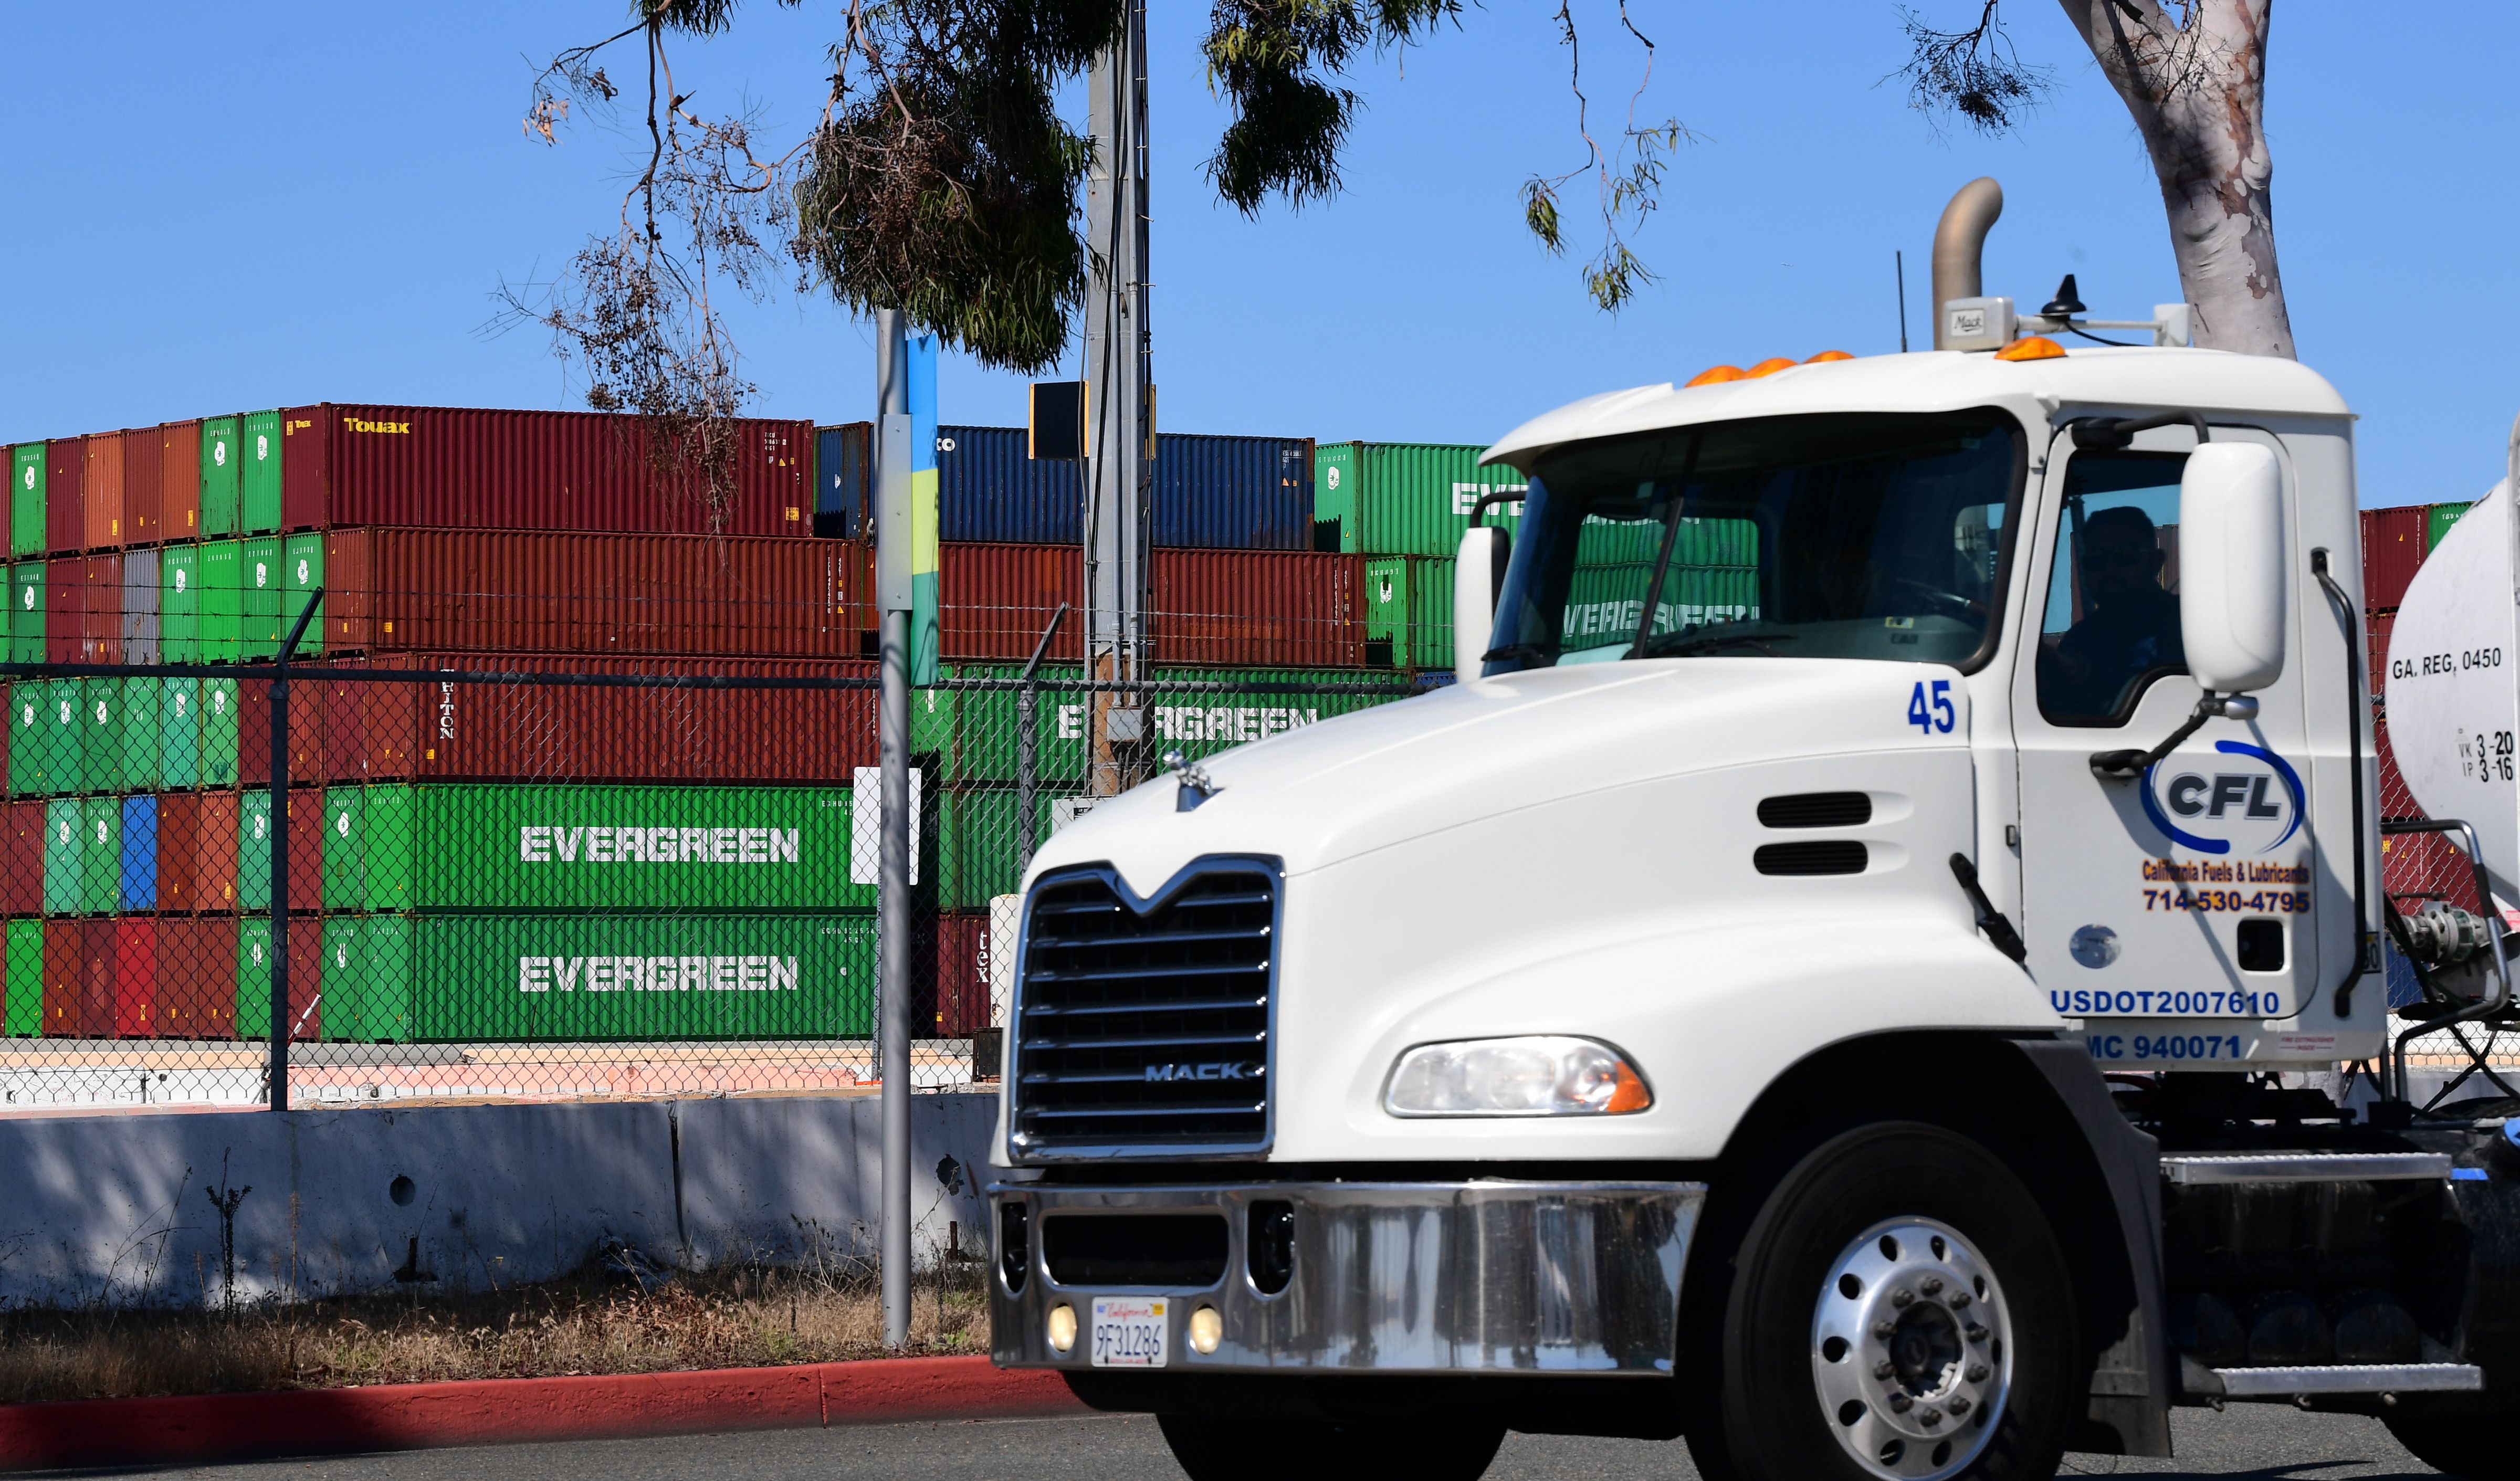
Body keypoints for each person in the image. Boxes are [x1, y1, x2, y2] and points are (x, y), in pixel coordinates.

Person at [2041, 504, 2183, 723]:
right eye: (2096, 560)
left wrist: (2088, 674)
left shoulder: (2184, 627)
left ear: (2156, 562)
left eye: (2125, 555)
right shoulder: (2079, 639)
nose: (2109, 570)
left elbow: (2178, 700)